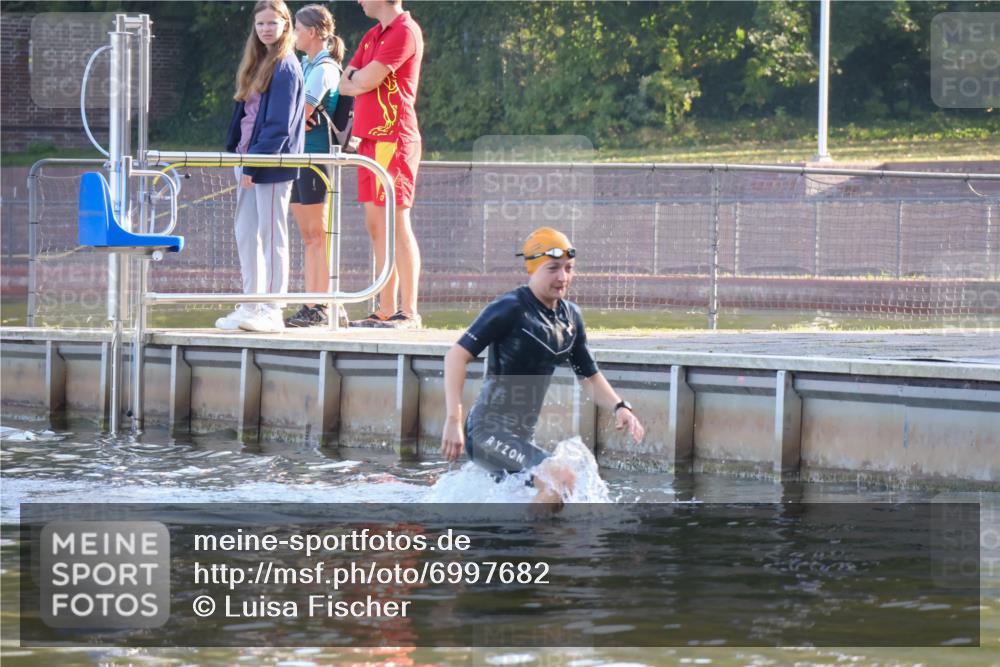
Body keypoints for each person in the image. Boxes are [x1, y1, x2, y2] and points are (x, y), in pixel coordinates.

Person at [440, 228, 646, 504]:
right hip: (486, 434)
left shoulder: (571, 317)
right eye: (553, 269)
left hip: (519, 436)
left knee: (557, 488)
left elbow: (589, 376)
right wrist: (453, 420)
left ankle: (521, 541)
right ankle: (533, 543)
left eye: (568, 268)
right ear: (532, 269)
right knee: (561, 478)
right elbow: (456, 356)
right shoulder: (509, 308)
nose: (562, 277)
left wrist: (620, 407)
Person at [217, 0, 304, 333]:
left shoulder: (285, 66)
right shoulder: (259, 62)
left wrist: (254, 165)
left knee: (271, 235)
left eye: (272, 23)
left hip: (269, 166)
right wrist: (240, 158)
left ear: (285, 25)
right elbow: (247, 116)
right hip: (246, 161)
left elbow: (278, 125)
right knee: (246, 233)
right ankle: (251, 302)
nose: (266, 29)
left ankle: (272, 309)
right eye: (260, 24)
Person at [339, 0, 424, 329]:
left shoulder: (404, 31)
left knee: (397, 224)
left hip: (395, 138)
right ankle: (385, 309)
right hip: (369, 141)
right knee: (376, 226)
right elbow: (345, 83)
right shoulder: (372, 35)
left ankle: (409, 312)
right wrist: (360, 80)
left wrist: (361, 80)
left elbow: (369, 79)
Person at [284, 4, 346, 328]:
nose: (293, 35)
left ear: (311, 32)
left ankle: (320, 305)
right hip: (301, 157)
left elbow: (302, 111)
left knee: (315, 236)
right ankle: (312, 303)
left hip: (315, 159)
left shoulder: (324, 68)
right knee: (308, 236)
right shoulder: (307, 65)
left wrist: (297, 120)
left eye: (296, 28)